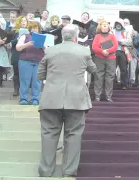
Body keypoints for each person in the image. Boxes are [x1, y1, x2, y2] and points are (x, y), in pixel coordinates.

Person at [37, 24, 97, 177]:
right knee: (73, 135)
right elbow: (93, 70)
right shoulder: (84, 51)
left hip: (51, 98)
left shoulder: (50, 50)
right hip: (76, 99)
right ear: (76, 37)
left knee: (48, 134)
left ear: (62, 36)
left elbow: (40, 75)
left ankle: (45, 171)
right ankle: (69, 171)